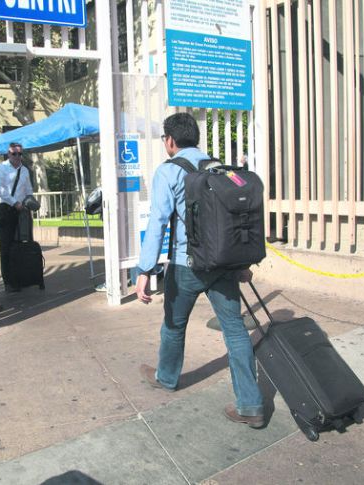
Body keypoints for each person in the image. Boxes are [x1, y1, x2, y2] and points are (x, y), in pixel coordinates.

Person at [134, 112, 265, 428]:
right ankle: (251, 405)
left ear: (170, 141)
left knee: (174, 325)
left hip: (187, 266)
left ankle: (166, 377)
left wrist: (144, 270)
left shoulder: (167, 172)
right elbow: (238, 217)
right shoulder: (221, 169)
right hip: (223, 264)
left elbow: (158, 221)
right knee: (234, 329)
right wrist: (241, 264)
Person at [0, 142, 34, 292]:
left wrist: (29, 201)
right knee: (6, 246)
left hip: (21, 210)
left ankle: (19, 277)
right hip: (5, 209)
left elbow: (28, 189)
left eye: (19, 154)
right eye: (13, 153)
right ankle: (8, 281)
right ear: (8, 154)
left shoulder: (24, 170)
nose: (17, 156)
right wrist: (14, 202)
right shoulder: (1, 168)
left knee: (20, 244)